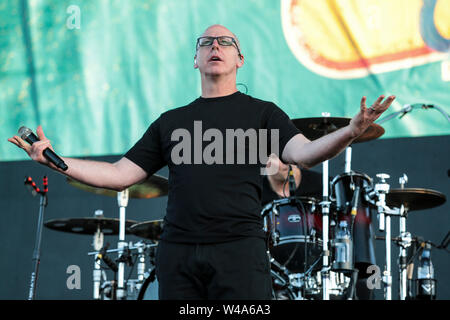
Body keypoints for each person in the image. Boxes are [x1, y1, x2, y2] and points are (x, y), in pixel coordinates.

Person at [8, 24, 395, 300]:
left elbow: (305, 153)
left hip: (239, 252)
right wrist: (54, 161)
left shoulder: (262, 114)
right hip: (179, 253)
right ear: (195, 59)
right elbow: (119, 175)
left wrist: (351, 130)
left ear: (239, 59)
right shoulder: (170, 121)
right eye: (206, 42)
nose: (215, 45)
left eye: (225, 41)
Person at [262, 154, 376, 300]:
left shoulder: (325, 186)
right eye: (277, 157)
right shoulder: (255, 191)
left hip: (322, 266)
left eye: (287, 155)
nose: (285, 162)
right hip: (272, 271)